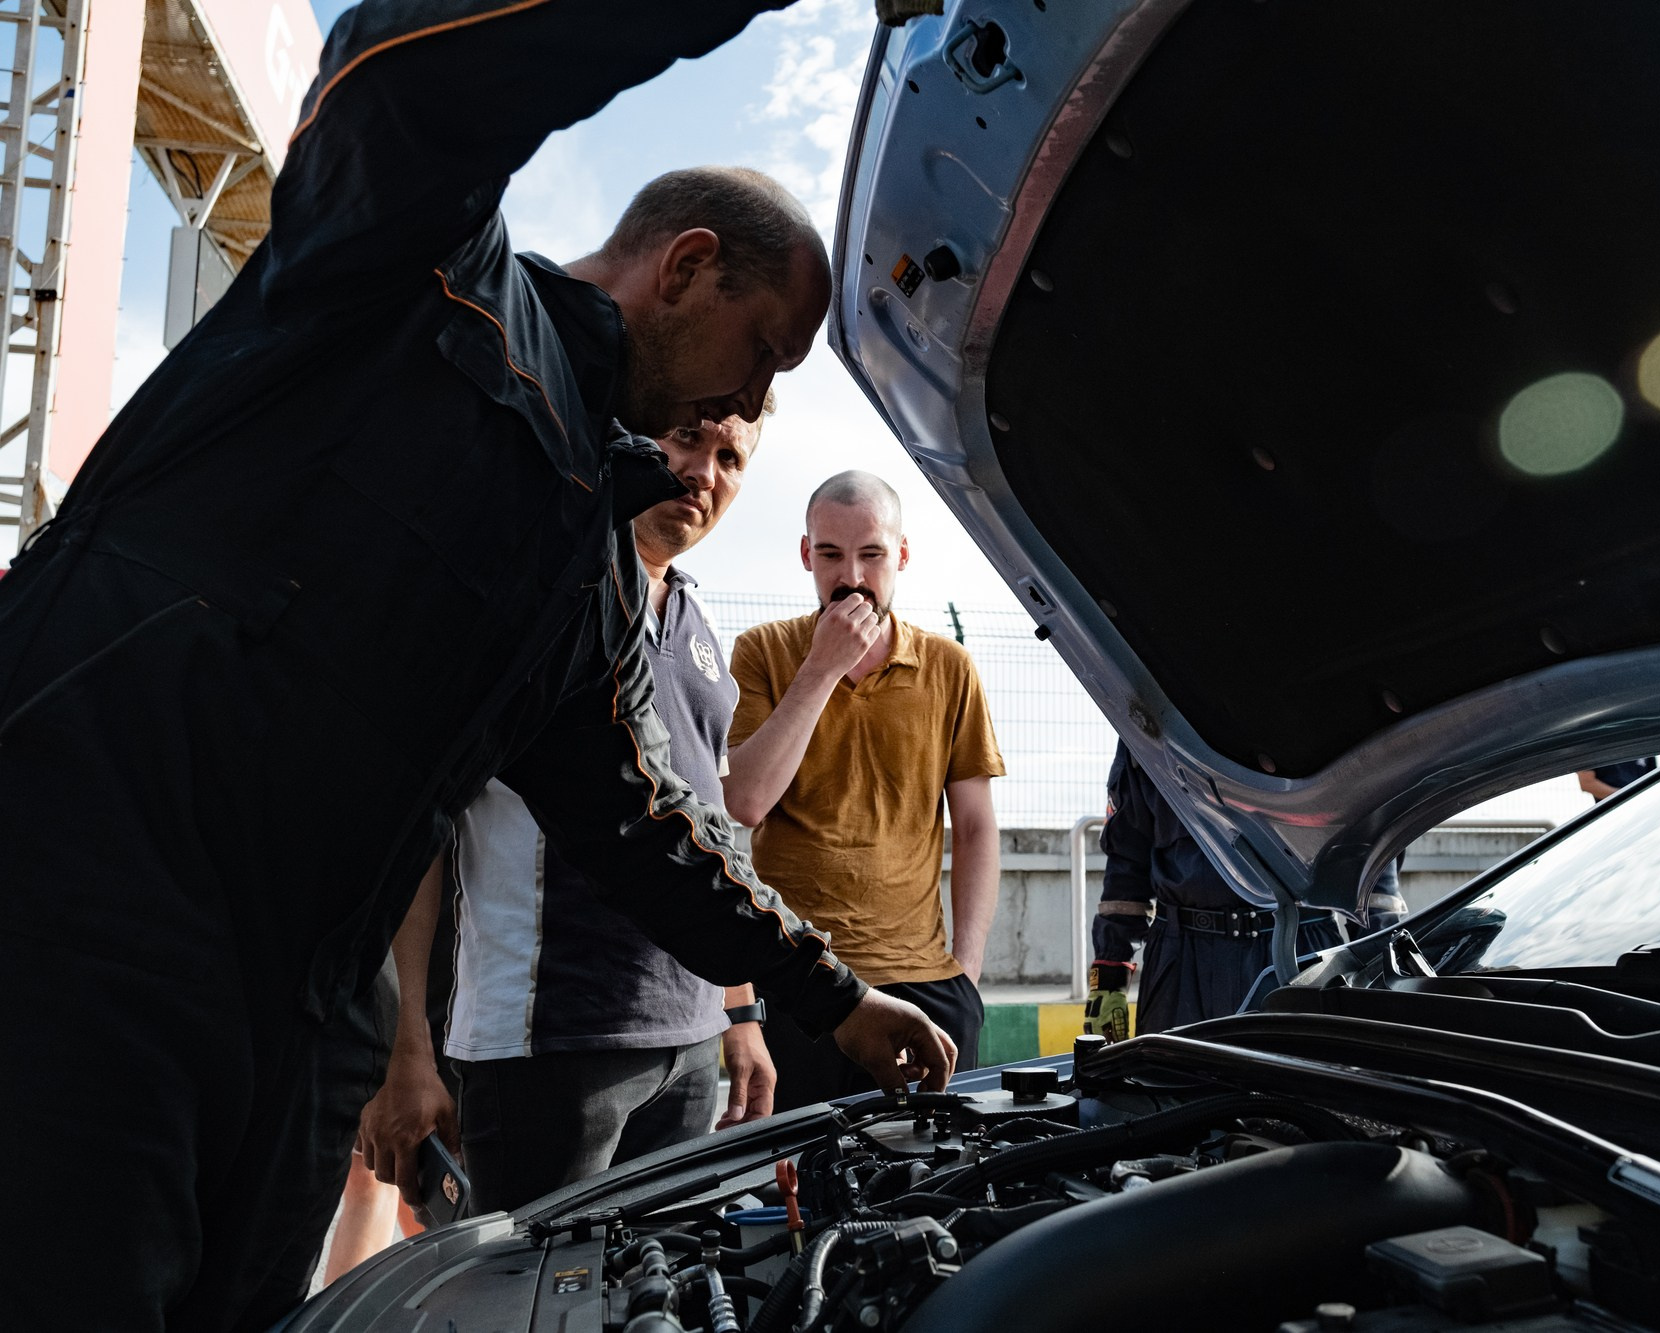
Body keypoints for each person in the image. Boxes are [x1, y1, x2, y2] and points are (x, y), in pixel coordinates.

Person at [0, 7, 952, 1330]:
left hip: (303, 1009)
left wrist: (828, 995)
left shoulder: (588, 562)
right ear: (685, 267)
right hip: (81, 915)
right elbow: (407, 72)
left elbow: (642, 820)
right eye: (759, 356)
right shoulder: (420, 270)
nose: (744, 409)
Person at [358, 410, 780, 1214]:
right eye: (687, 437)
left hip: (690, 1048)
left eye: (730, 456)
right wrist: (403, 1046)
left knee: (666, 1280)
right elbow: (421, 834)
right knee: (532, 1285)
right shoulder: (535, 593)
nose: (703, 471)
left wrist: (740, 1010)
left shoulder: (698, 627)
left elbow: (715, 833)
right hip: (550, 1045)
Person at [724, 472, 1005, 1108]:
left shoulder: (949, 667)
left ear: (901, 555)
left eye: (871, 554)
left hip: (926, 981)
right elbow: (747, 802)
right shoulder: (763, 651)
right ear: (806, 555)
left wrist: (967, 972)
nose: (851, 576)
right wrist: (822, 667)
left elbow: (976, 825)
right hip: (799, 976)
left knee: (933, 1162)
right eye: (830, 554)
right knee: (808, 1167)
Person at [1089, 742, 1409, 1033]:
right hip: (1181, 961)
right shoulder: (1150, 719)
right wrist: (1109, 977)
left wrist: (1385, 970)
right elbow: (1127, 859)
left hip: (1300, 951)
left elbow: (1370, 855)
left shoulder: (1326, 710)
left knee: (1302, 1077)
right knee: (1172, 1078)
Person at [1578, 757, 1658, 800]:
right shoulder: (1593, 739)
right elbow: (1587, 783)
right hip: (1612, 812)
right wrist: (1626, 797)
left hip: (1643, 807)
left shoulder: (1643, 738)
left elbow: (1654, 781)